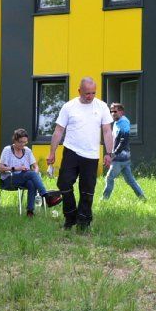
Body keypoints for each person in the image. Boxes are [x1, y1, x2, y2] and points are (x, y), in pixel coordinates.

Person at [46, 77, 114, 231]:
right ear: (79, 91)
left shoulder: (102, 106)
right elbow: (58, 130)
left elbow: (107, 131)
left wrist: (109, 153)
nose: (90, 96)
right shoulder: (69, 107)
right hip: (71, 151)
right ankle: (70, 218)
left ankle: (83, 222)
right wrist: (52, 152)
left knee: (87, 190)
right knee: (63, 184)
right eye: (87, 93)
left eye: (93, 93)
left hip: (91, 155)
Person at [0, 128, 62, 216]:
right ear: (15, 140)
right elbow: (0, 168)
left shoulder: (27, 151)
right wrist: (16, 168)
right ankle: (47, 197)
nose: (22, 144)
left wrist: (35, 173)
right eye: (20, 142)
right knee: (31, 174)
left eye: (25, 142)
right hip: (9, 179)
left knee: (32, 183)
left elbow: (36, 167)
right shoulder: (7, 150)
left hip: (25, 177)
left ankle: (30, 211)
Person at [102, 102, 146, 202]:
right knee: (130, 180)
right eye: (111, 111)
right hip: (124, 158)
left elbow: (123, 140)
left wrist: (114, 154)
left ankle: (104, 200)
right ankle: (142, 198)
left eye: (115, 111)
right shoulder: (116, 123)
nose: (112, 113)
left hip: (119, 158)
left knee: (109, 178)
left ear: (121, 112)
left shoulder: (124, 122)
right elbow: (116, 140)